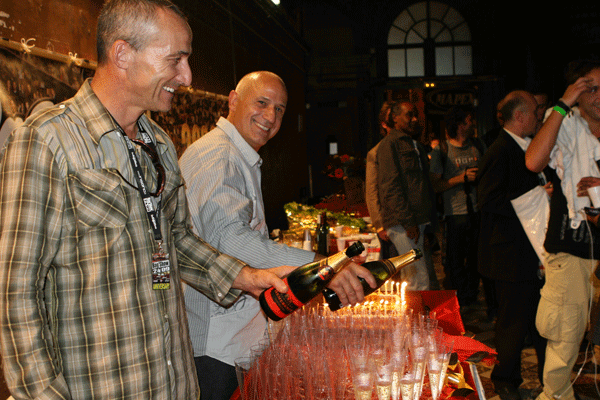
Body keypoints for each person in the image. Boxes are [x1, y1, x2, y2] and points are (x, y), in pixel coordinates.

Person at [0, 2, 299, 399]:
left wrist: (246, 278)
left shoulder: (157, 142)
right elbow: (16, 292)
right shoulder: (48, 140)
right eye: (176, 60)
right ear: (123, 53)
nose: (186, 76)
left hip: (173, 383)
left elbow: (176, 240)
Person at [179, 71, 376, 400]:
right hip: (215, 345)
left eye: (280, 109)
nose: (270, 116)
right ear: (233, 100)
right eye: (262, 103)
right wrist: (321, 265)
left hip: (233, 337)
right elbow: (230, 240)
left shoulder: (237, 154)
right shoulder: (218, 155)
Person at [526, 59, 600, 400]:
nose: (598, 96)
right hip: (570, 247)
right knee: (565, 338)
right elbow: (533, 161)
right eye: (591, 88)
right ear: (577, 93)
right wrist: (561, 105)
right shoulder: (565, 125)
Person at [478, 91, 549, 400]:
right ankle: (505, 380)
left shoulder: (524, 145)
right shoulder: (500, 150)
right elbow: (488, 201)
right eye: (534, 111)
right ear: (519, 116)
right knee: (512, 323)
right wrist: (535, 197)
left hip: (527, 251)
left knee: (538, 321)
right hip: (509, 253)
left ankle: (548, 379)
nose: (539, 116)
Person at [429, 105, 484, 308]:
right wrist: (461, 178)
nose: (473, 124)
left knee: (476, 258)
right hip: (454, 213)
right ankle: (457, 298)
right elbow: (435, 185)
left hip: (478, 210)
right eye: (469, 120)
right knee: (455, 260)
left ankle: (471, 295)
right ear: (460, 124)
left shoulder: (478, 145)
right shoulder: (442, 150)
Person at [377, 100, 435, 290]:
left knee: (419, 276)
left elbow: (421, 185)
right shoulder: (389, 144)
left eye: (415, 115)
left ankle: (415, 309)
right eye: (409, 115)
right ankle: (414, 311)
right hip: (403, 222)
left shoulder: (413, 144)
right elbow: (390, 187)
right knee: (418, 279)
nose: (414, 119)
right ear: (395, 118)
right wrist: (408, 222)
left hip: (416, 220)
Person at [365, 101, 399, 260]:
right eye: (392, 118)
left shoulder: (412, 147)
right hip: (391, 223)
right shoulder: (376, 152)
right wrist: (379, 225)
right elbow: (371, 191)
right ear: (385, 124)